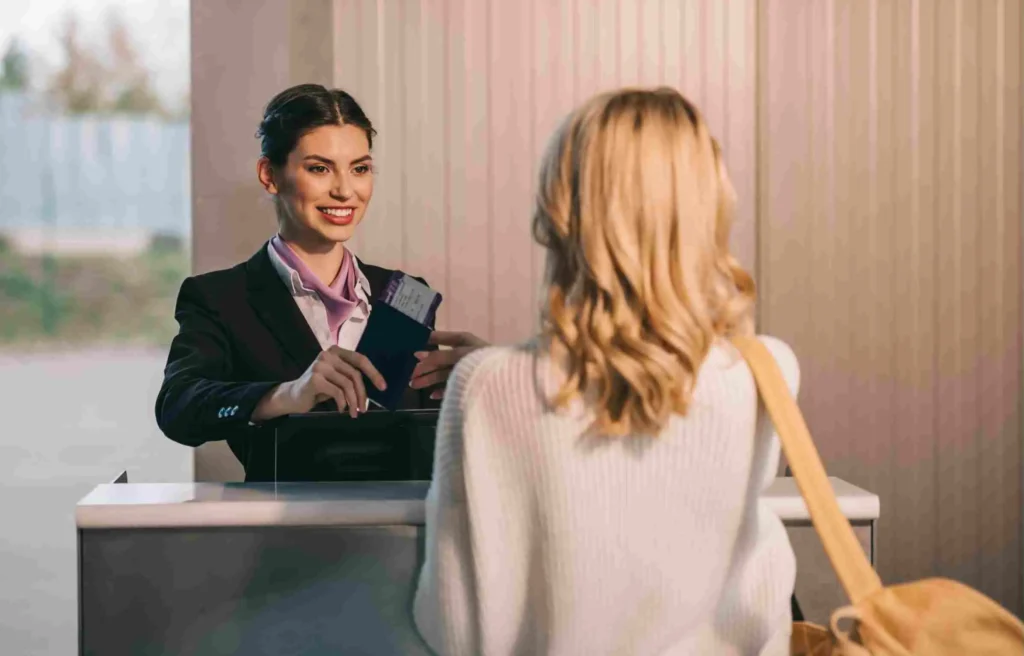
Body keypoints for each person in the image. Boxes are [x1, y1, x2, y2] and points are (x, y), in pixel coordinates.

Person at [412, 88, 799, 655]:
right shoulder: (768, 370)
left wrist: (504, 372)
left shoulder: (484, 384)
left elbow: (454, 627)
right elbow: (756, 591)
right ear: (708, 206)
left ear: (562, 210)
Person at [155, 84, 483, 480]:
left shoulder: (408, 292)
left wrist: (483, 382)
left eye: (359, 169)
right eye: (319, 168)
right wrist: (287, 394)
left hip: (407, 531)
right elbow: (178, 407)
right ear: (269, 175)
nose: (345, 190)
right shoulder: (221, 298)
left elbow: (425, 426)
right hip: (286, 534)